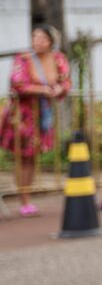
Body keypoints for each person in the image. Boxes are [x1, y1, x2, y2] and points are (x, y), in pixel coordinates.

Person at [0, 25, 71, 217]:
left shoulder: (58, 58)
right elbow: (17, 83)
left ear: (50, 42)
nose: (37, 41)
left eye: (42, 38)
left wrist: (58, 89)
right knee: (22, 157)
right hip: (20, 117)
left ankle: (25, 199)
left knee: (30, 158)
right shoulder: (23, 58)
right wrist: (42, 90)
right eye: (35, 37)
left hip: (42, 117)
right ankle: (22, 198)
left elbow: (66, 81)